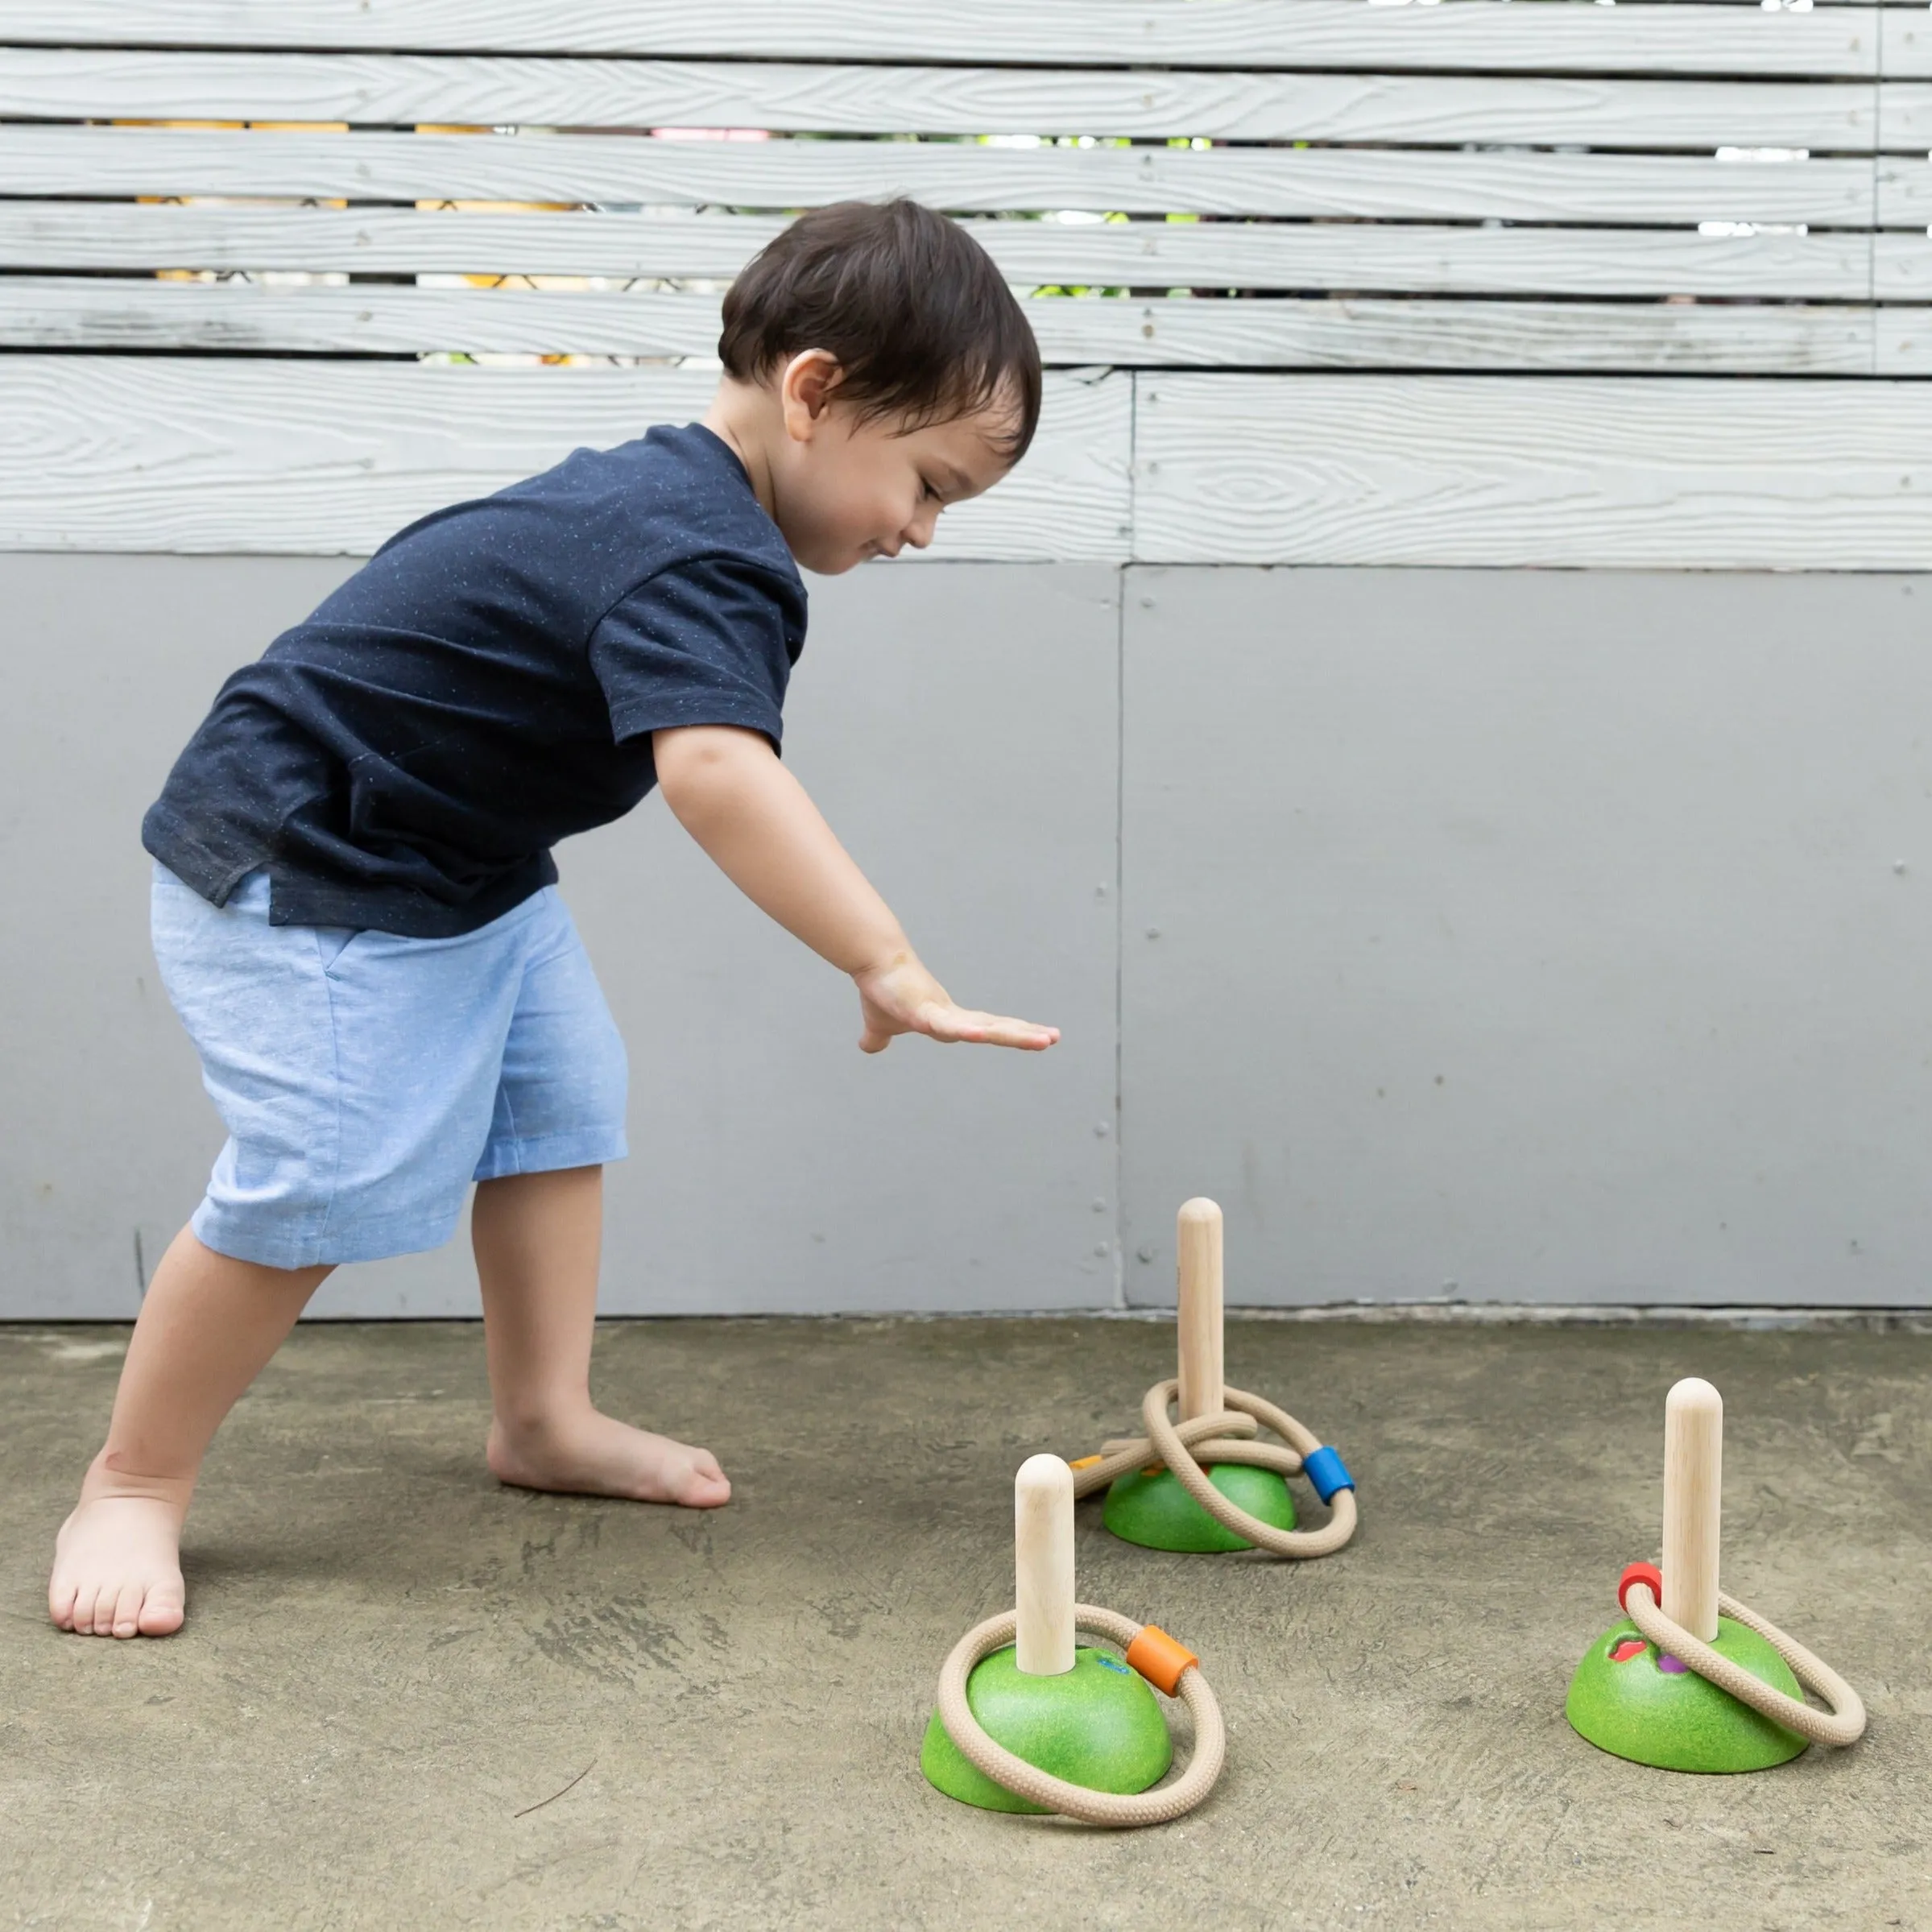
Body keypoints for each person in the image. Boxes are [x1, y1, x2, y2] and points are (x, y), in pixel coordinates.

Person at [49, 197, 1057, 1640]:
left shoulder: (680, 504)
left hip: (458, 861)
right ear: (816, 392)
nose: (923, 531)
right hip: (307, 855)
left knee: (556, 1105)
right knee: (320, 1167)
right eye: (930, 484)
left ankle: (542, 1418)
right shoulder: (702, 551)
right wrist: (882, 959)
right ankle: (134, 1479)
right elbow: (714, 769)